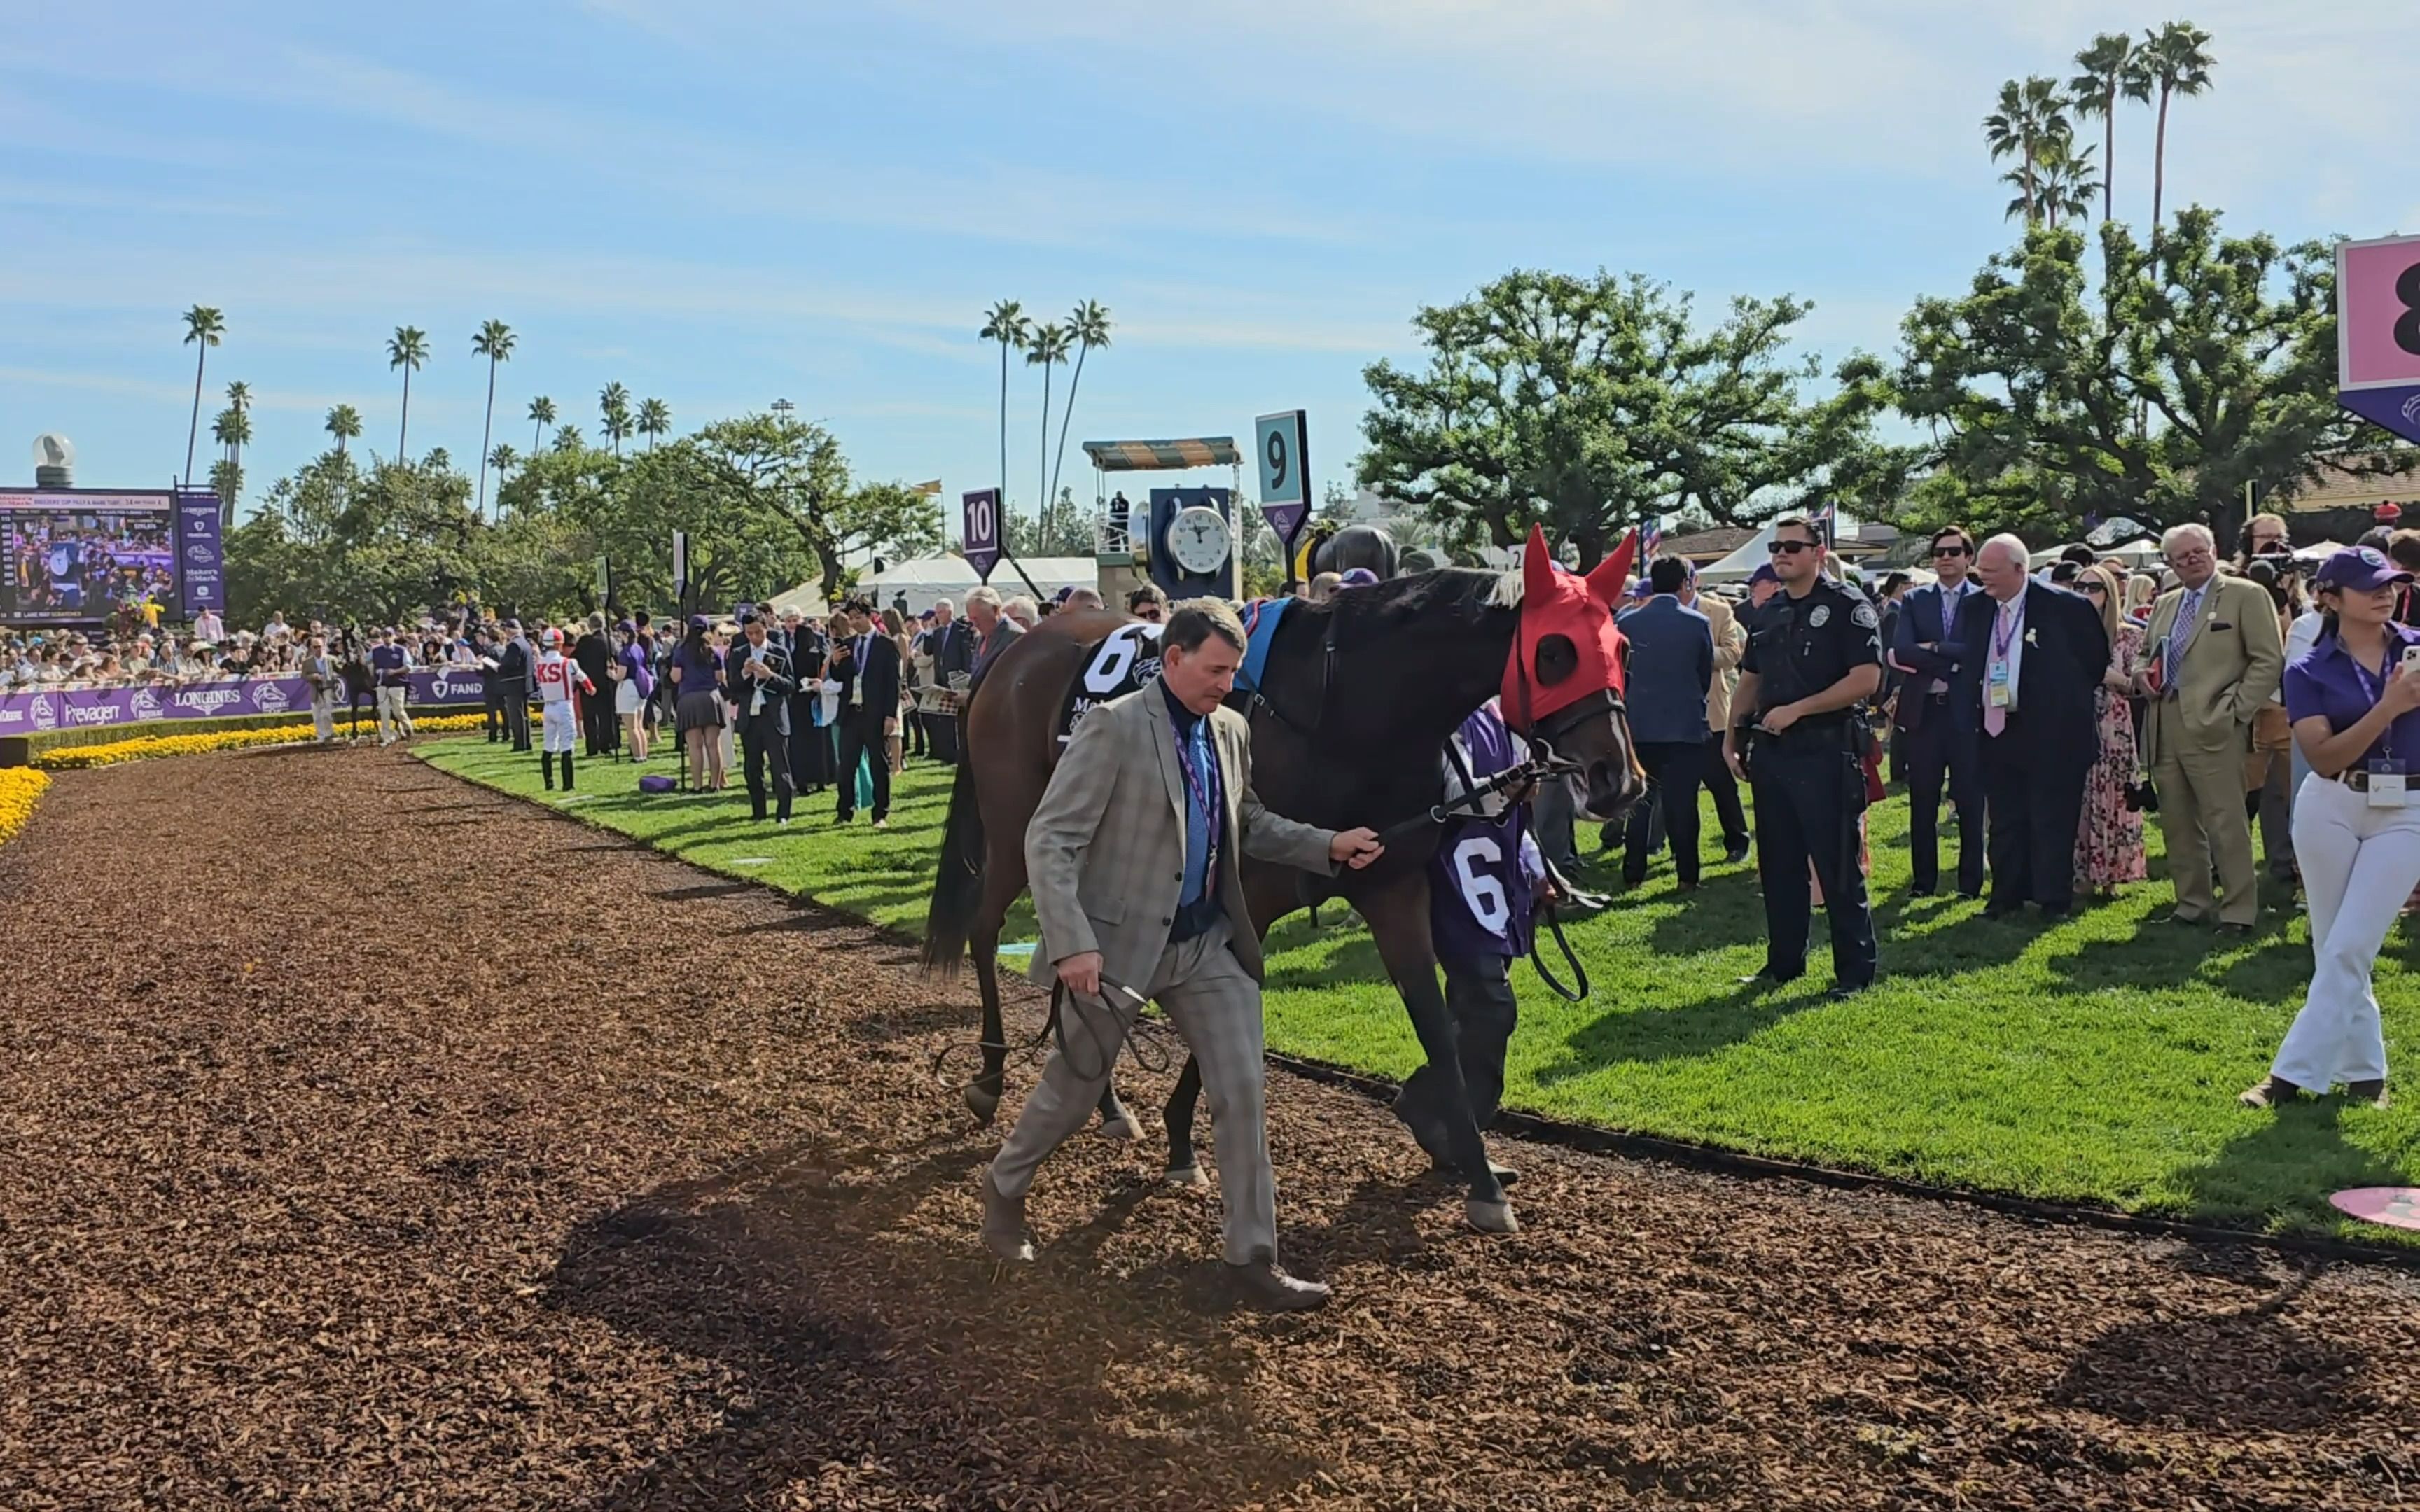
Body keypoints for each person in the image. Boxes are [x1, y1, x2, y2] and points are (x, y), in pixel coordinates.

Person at [980, 600, 1386, 1308]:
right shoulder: (1110, 729)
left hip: (1206, 946)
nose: (1227, 684)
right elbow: (1049, 841)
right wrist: (1073, 943)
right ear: (1173, 660)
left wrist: (1326, 845)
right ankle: (1004, 1186)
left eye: (1233, 670)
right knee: (1072, 1095)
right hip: (1113, 950)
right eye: (1215, 670)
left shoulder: (1229, 731)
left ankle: (1252, 1259)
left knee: (1241, 1092)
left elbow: (1247, 822)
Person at [2241, 547, 2420, 1111]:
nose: (2385, 592)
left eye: (2391, 582)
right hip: (2332, 803)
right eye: (2369, 585)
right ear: (2330, 597)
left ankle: (2289, 1077)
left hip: (2409, 810)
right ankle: (2367, 1074)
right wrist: (2389, 708)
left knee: (2350, 945)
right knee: (2335, 946)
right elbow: (2321, 757)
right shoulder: (2307, 669)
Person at [1723, 515, 1882, 997]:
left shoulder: (1846, 606)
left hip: (1825, 748)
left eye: (1793, 546)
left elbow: (1866, 678)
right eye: (1776, 546)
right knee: (1780, 866)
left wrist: (1799, 709)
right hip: (1772, 753)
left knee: (1836, 867)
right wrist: (1731, 737)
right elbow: (1750, 677)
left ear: (1819, 551)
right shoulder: (1768, 612)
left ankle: (1854, 973)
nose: (1782, 554)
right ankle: (1784, 964)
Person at [1398, 697, 1545, 1185]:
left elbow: (1516, 814)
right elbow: (1455, 798)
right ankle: (1445, 1120)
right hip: (1448, 880)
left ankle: (1447, 1131)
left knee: (1475, 1009)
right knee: (1492, 1006)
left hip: (1493, 882)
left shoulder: (1502, 714)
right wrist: (1513, 787)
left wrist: (1538, 869)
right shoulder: (1437, 711)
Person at [2138, 523, 2286, 934]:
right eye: (2181, 558)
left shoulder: (2246, 595)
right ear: (2169, 564)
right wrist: (2139, 674)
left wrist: (2236, 710)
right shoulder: (2166, 603)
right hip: (2164, 721)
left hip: (2216, 723)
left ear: (2214, 549)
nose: (2191, 561)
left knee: (2226, 820)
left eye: (2197, 552)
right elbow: (2145, 652)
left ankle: (2238, 910)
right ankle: (2191, 903)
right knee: (2177, 821)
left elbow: (2268, 660)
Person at [1951, 536, 2108, 918]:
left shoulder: (2066, 607)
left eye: (1991, 571)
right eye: (1981, 571)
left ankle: (2053, 898)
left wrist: (2059, 699)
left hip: (2053, 732)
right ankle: (2006, 895)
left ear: (2020, 570)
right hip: (1995, 727)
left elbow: (2095, 662)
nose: (1982, 578)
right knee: (2005, 817)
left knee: (2052, 816)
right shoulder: (1975, 607)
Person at [1891, 528, 1988, 897]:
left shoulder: (1983, 600)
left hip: (1967, 714)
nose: (1945, 558)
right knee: (1923, 801)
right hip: (1925, 713)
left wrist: (1934, 648)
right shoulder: (1915, 600)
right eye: (1938, 552)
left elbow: (1980, 650)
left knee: (1970, 799)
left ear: (1968, 558)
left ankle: (1970, 882)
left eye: (1953, 551)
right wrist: (1952, 664)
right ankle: (1924, 882)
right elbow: (1903, 651)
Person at [1615, 556, 1714, 888]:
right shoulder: (1697, 623)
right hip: (1684, 725)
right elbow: (1704, 675)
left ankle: (1633, 873)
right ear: (1685, 582)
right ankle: (1687, 875)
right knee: (1683, 805)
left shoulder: (1626, 623)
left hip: (1639, 723)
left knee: (1639, 804)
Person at [2073, 562, 2148, 895]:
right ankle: (2080, 873)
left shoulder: (2129, 635)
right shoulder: (2066, 633)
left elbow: (2140, 684)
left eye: (2094, 588)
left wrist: (2108, 676)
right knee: (2080, 796)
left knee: (2115, 795)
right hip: (2075, 720)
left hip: (2114, 725)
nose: (2087, 594)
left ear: (2110, 593)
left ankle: (2113, 874)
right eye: (2080, 587)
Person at [1678, 567, 1752, 864]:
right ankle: (1682, 850)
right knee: (1680, 789)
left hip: (1713, 712)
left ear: (1693, 581)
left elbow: (1733, 654)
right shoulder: (1659, 612)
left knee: (1721, 782)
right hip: (1675, 714)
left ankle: (1737, 841)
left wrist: (1695, 654)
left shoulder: (1720, 611)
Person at [830, 599, 901, 828]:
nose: (855, 622)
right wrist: (835, 662)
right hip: (851, 712)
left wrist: (891, 716)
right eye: (851, 618)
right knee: (846, 765)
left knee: (878, 764)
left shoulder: (886, 645)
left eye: (858, 617)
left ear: (870, 616)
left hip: (875, 713)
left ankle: (880, 812)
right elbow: (839, 677)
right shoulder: (848, 644)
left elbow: (894, 683)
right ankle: (845, 811)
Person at [728, 610, 797, 823]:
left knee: (780, 767)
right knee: (752, 768)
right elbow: (733, 686)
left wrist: (770, 676)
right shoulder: (738, 653)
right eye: (749, 633)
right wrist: (745, 673)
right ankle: (758, 812)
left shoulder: (780, 652)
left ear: (766, 628)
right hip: (751, 717)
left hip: (773, 715)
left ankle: (783, 813)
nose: (755, 637)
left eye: (758, 632)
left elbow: (790, 686)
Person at [669, 615, 725, 793]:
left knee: (694, 746)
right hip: (711, 697)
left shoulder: (681, 650)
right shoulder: (713, 651)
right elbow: (720, 678)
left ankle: (697, 785)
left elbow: (676, 677)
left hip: (689, 698)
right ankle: (715, 785)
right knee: (713, 745)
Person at [531, 626, 588, 791]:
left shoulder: (540, 663)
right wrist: (591, 689)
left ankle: (549, 783)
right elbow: (583, 678)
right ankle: (568, 784)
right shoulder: (568, 662)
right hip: (564, 705)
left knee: (548, 745)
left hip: (548, 706)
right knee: (567, 745)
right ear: (559, 644)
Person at [573, 612, 617, 757]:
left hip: (588, 684)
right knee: (606, 716)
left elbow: (575, 660)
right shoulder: (610, 641)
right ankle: (607, 744)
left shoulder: (584, 642)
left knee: (589, 717)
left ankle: (592, 747)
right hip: (606, 683)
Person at [611, 620, 653, 762]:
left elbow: (621, 675)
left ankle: (637, 756)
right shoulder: (638, 648)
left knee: (631, 726)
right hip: (640, 686)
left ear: (625, 634)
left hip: (628, 686)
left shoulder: (625, 651)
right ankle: (643, 754)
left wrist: (611, 674)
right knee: (639, 725)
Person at [368, 628, 413, 745]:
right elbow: (364, 661)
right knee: (384, 711)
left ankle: (407, 726)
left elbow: (408, 667)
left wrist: (394, 672)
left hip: (397, 684)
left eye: (389, 635)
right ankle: (386, 736)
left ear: (394, 637)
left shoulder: (401, 651)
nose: (386, 638)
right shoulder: (375, 651)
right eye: (384, 635)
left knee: (398, 711)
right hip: (382, 685)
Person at [496, 620, 533, 752]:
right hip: (525, 683)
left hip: (515, 683)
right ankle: (527, 742)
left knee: (517, 716)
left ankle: (520, 744)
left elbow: (511, 665)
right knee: (524, 715)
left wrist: (499, 667)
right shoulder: (525, 643)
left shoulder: (514, 645)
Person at [302, 635, 340, 745]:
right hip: (315, 689)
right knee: (317, 714)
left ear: (324, 647)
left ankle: (328, 735)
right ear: (311, 648)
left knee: (326, 713)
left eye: (319, 647)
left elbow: (341, 670)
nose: (318, 649)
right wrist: (313, 676)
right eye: (315, 647)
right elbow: (304, 676)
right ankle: (321, 737)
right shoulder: (307, 662)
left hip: (328, 688)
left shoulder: (331, 660)